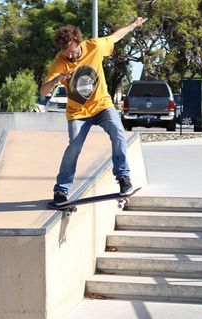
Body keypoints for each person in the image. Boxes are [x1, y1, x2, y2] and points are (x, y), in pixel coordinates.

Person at [40, 17, 147, 206]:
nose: (70, 56)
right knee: (74, 147)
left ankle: (123, 178)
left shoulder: (95, 46)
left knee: (118, 132)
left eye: (72, 51)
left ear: (78, 42)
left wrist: (132, 25)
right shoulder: (60, 61)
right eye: (66, 53)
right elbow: (43, 91)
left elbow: (115, 37)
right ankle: (61, 190)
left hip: (102, 105)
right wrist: (57, 79)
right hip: (78, 113)